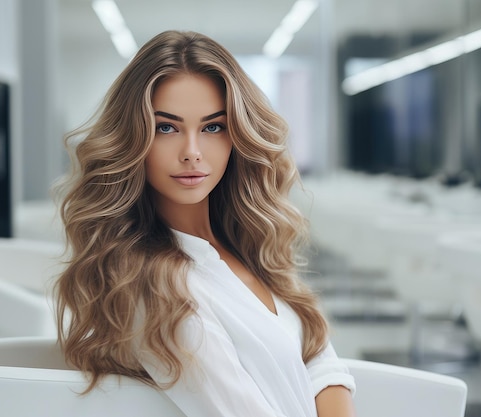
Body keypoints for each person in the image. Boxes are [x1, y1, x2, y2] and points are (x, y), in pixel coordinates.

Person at [55, 30, 356, 417]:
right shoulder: (153, 292)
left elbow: (320, 362)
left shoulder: (245, 247)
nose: (192, 153)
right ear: (133, 140)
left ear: (237, 136)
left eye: (212, 127)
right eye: (166, 127)